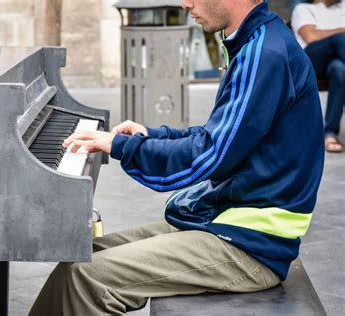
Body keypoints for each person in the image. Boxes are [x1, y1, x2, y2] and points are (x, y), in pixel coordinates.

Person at [29, 0, 324, 315]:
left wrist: (121, 146)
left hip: (252, 243)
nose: (186, 3)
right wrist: (151, 136)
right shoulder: (257, 41)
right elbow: (222, 135)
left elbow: (212, 154)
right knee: (81, 257)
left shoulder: (265, 53)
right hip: (225, 220)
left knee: (86, 278)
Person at [292, 0, 345, 152]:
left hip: (338, 61)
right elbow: (311, 37)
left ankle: (329, 134)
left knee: (339, 69)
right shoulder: (303, 9)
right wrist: (341, 31)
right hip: (312, 62)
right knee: (339, 39)